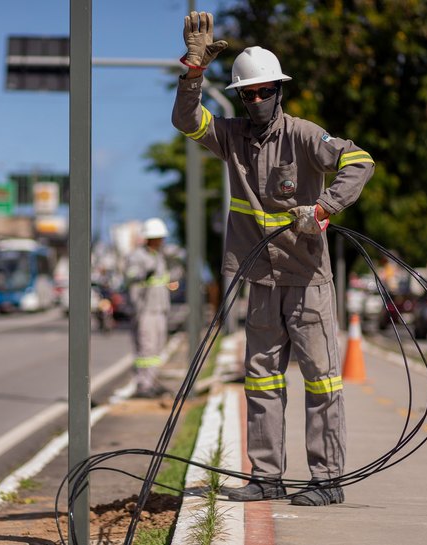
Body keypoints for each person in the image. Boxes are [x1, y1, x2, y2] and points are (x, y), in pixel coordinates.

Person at [172, 12, 375, 506]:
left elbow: (359, 160)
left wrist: (325, 208)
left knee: (322, 381)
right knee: (261, 384)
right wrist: (194, 70)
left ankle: (327, 480)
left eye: (264, 91)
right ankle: (266, 478)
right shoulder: (231, 137)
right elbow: (186, 121)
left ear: (279, 91)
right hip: (260, 281)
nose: (256, 100)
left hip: (308, 282)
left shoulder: (304, 136)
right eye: (248, 93)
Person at [125, 218, 173, 398]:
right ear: (150, 238)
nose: (161, 241)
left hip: (160, 308)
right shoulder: (137, 256)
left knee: (157, 348)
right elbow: (131, 276)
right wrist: (143, 273)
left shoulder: (158, 257)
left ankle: (152, 381)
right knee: (146, 348)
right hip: (144, 309)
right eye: (158, 238)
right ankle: (143, 384)